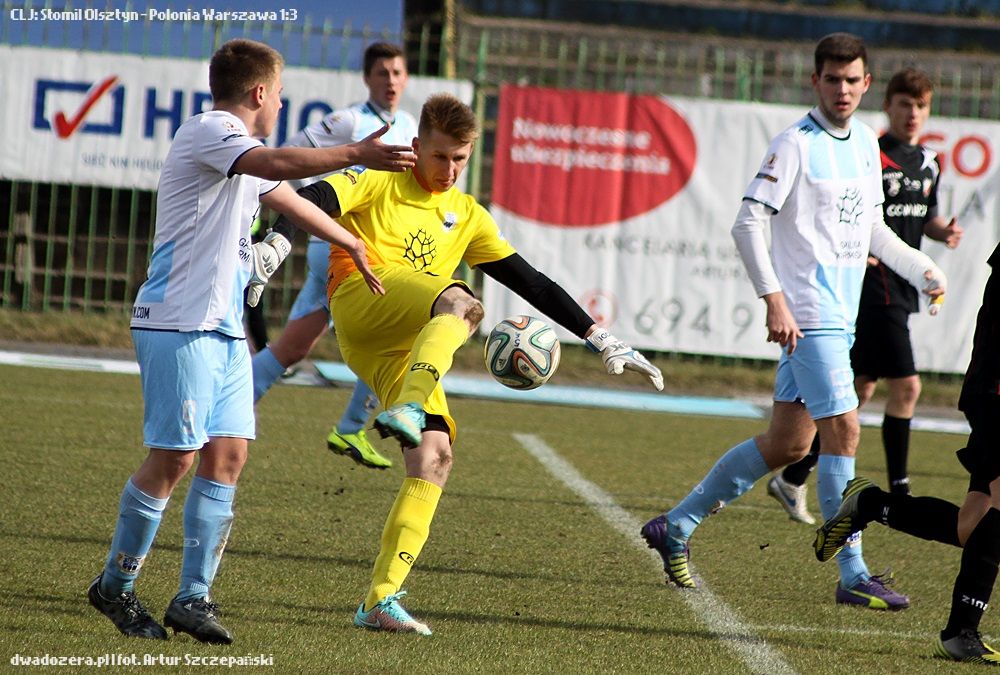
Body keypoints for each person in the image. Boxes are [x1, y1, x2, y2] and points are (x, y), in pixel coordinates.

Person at [267, 92, 663, 634]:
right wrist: (277, 242)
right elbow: (311, 197)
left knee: (435, 457)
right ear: (416, 146)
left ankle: (379, 599)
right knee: (463, 303)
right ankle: (408, 407)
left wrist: (601, 338)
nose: (449, 169)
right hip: (362, 297)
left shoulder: (469, 215)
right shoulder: (379, 178)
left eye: (460, 159)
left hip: (398, 348)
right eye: (439, 156)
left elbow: (531, 282)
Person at [86, 38, 415, 643]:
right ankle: (115, 587)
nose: (282, 105)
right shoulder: (212, 130)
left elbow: (287, 197)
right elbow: (279, 167)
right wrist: (357, 153)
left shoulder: (242, 156)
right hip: (179, 322)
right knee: (176, 458)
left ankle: (193, 597)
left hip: (224, 329)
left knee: (228, 457)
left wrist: (352, 241)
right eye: (280, 94)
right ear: (260, 92)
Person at [639, 33, 947, 610]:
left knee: (789, 442)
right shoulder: (795, 143)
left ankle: (675, 525)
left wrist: (922, 267)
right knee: (845, 429)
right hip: (809, 315)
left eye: (852, 80)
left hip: (839, 317)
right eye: (832, 79)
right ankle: (853, 573)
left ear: (866, 84)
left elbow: (873, 228)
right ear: (815, 82)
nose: (842, 90)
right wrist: (774, 300)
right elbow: (747, 222)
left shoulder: (865, 142)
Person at [768, 67, 964, 525]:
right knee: (908, 387)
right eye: (904, 104)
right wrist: (856, 249)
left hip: (903, 281)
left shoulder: (931, 162)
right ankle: (901, 489)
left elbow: (927, 217)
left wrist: (942, 233)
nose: (912, 114)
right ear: (888, 105)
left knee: (859, 389)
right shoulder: (869, 152)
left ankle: (794, 475)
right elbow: (855, 215)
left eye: (920, 106)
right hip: (873, 285)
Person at [815, 241, 1000, 663]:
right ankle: (960, 633)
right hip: (995, 393)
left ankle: (869, 503)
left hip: (990, 393)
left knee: (971, 528)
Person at [251, 42, 418, 471]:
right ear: (367, 78)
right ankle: (351, 427)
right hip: (342, 248)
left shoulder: (410, 125)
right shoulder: (349, 121)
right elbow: (287, 160)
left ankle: (231, 404)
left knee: (294, 346)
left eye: (397, 72)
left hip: (374, 248)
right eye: (382, 72)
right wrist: (297, 217)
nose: (391, 80)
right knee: (394, 335)